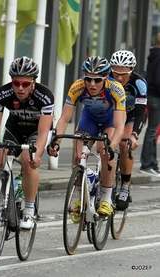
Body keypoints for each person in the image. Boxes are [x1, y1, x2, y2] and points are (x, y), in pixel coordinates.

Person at [0, 56, 54, 229]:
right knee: (0, 159)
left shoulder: (45, 96)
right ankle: (6, 203)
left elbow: (43, 133)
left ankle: (29, 211)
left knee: (27, 160)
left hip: (36, 131)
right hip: (14, 129)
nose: (20, 88)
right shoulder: (2, 94)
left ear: (33, 82)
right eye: (16, 83)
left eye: (25, 84)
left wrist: (36, 155)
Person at [48, 56, 126, 218]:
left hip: (109, 120)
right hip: (89, 119)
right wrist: (56, 141)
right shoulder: (77, 87)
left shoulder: (116, 89)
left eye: (97, 80)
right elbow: (63, 119)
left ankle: (106, 198)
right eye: (88, 79)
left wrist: (112, 147)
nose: (91, 84)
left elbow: (119, 126)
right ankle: (79, 196)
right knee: (77, 156)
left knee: (104, 150)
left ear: (105, 79)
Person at [109, 50, 147, 210]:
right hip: (111, 115)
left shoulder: (139, 83)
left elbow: (140, 113)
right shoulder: (106, 79)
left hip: (131, 115)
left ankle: (125, 185)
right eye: (116, 72)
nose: (119, 78)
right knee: (106, 144)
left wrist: (134, 135)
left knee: (125, 145)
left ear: (131, 71)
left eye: (124, 74)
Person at [139, 33, 160, 178]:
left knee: (152, 130)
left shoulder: (154, 55)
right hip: (157, 97)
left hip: (151, 95)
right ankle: (147, 164)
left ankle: (152, 164)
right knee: (152, 131)